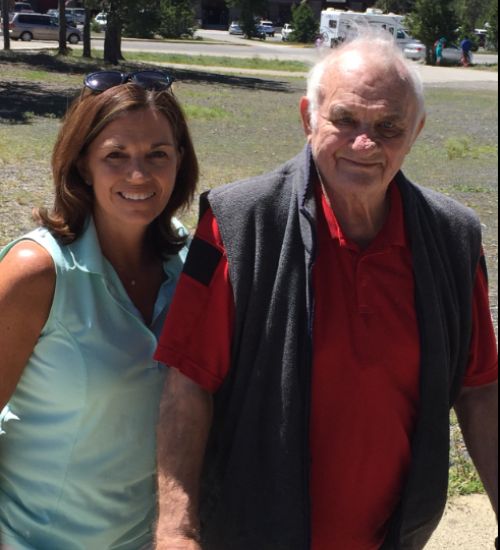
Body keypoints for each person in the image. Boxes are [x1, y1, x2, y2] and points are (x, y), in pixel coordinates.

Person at [154, 37, 498, 550]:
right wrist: (176, 530)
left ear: (417, 131)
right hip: (254, 536)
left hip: (394, 537)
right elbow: (187, 387)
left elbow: (480, 390)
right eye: (345, 120)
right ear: (308, 117)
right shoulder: (238, 222)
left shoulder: (453, 238)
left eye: (388, 127)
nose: (365, 144)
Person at [0, 70, 199, 549]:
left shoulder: (192, 267)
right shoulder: (37, 272)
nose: (139, 174)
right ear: (83, 165)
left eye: (158, 155)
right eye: (115, 155)